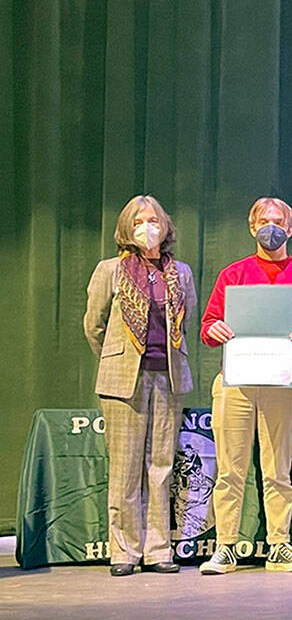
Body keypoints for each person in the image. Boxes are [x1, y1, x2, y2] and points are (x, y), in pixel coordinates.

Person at [198, 197, 292, 574]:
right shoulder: (233, 275)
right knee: (230, 470)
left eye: (277, 222)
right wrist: (214, 329)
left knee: (278, 471)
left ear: (290, 229)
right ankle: (225, 546)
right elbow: (208, 326)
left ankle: (279, 545)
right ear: (252, 227)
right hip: (236, 382)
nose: (270, 228)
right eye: (263, 221)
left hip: (282, 382)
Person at [84, 196, 198, 576]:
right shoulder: (110, 270)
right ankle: (124, 551)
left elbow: (187, 321)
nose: (146, 227)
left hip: (168, 376)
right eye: (138, 221)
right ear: (127, 228)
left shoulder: (180, 273)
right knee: (125, 468)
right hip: (124, 380)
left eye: (153, 220)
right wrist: (115, 359)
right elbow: (94, 325)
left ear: (165, 227)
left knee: (161, 466)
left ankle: (158, 549)